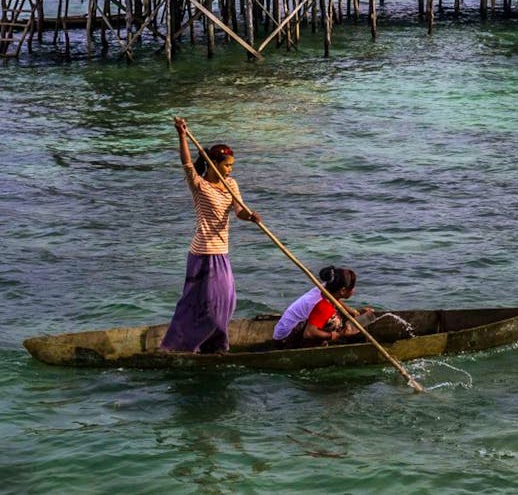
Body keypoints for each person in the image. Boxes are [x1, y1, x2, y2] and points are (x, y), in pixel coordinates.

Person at [160, 117, 261, 353]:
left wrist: (251, 216)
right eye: (227, 165)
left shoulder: (231, 185)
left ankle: (214, 345)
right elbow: (186, 163)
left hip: (221, 252)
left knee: (227, 303)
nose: (230, 170)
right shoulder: (199, 185)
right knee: (201, 306)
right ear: (213, 163)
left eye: (232, 166)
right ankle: (181, 346)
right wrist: (182, 135)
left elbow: (239, 211)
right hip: (203, 254)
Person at [273, 266, 373, 348]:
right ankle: (314, 346)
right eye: (352, 288)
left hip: (289, 329)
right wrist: (338, 335)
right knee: (334, 322)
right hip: (285, 340)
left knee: (334, 316)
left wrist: (353, 311)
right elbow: (309, 333)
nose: (354, 290)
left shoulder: (327, 288)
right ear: (342, 290)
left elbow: (336, 300)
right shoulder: (323, 304)